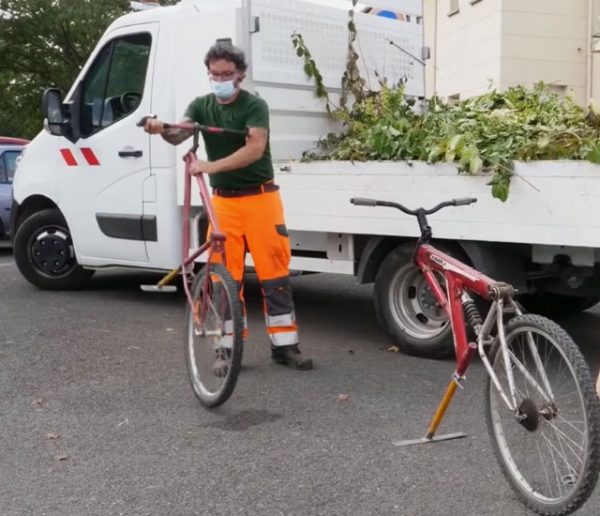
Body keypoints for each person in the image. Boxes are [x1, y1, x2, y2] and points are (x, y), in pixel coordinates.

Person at [144, 42, 313, 371]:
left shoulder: (254, 107)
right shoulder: (202, 105)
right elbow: (180, 135)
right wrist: (161, 128)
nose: (219, 79)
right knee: (224, 280)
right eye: (214, 73)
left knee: (275, 275)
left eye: (226, 74)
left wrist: (210, 167)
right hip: (225, 205)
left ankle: (285, 347)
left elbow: (254, 149)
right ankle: (226, 349)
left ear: (240, 76)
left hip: (262, 200)